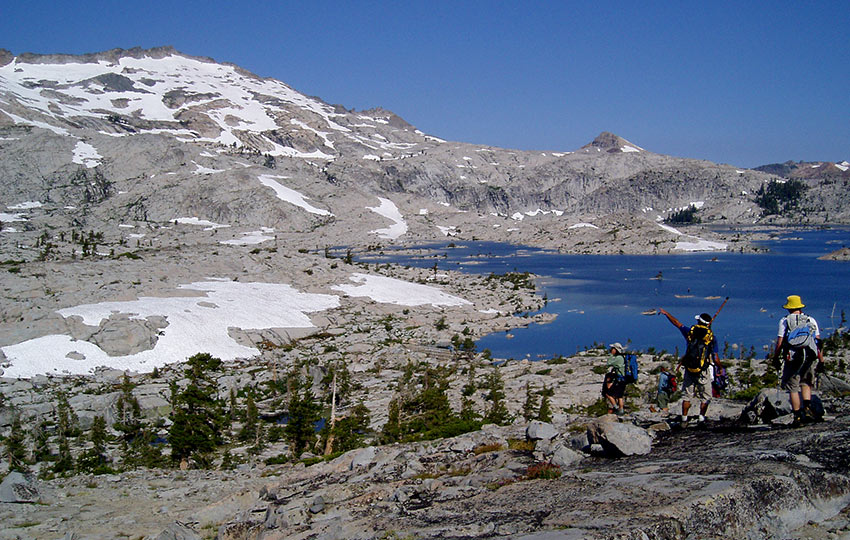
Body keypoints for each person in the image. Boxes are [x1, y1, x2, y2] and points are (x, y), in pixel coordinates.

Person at [658, 309, 723, 425]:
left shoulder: (690, 333)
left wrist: (667, 313)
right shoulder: (711, 337)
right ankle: (702, 418)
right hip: (703, 370)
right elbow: (716, 358)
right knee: (706, 396)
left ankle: (684, 418)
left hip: (689, 369)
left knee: (687, 395)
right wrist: (720, 368)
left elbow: (677, 323)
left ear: (698, 322)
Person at [772, 295, 824, 426]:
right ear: (800, 307)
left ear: (789, 308)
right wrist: (821, 360)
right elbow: (818, 342)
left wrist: (776, 358)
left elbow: (779, 342)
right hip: (809, 356)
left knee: (793, 387)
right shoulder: (810, 320)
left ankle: (797, 415)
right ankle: (807, 409)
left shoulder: (785, 321)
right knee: (806, 382)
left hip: (793, 357)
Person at [601, 342, 627, 416]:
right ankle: (621, 410)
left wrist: (611, 355)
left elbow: (609, 363)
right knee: (619, 396)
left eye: (612, 348)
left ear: (616, 349)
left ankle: (616, 408)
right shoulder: (622, 357)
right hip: (623, 379)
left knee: (608, 394)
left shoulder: (618, 358)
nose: (611, 350)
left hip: (619, 379)